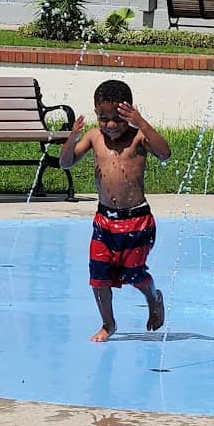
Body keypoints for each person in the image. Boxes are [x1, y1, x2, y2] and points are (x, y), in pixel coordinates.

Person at [58, 78, 172, 342]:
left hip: (137, 220)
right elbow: (66, 163)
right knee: (98, 275)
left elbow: (165, 153)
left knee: (134, 273)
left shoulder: (139, 138)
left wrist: (141, 122)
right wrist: (72, 136)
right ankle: (108, 324)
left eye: (117, 119)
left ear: (129, 112)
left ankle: (153, 297)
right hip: (104, 220)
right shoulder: (93, 138)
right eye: (103, 118)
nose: (110, 125)